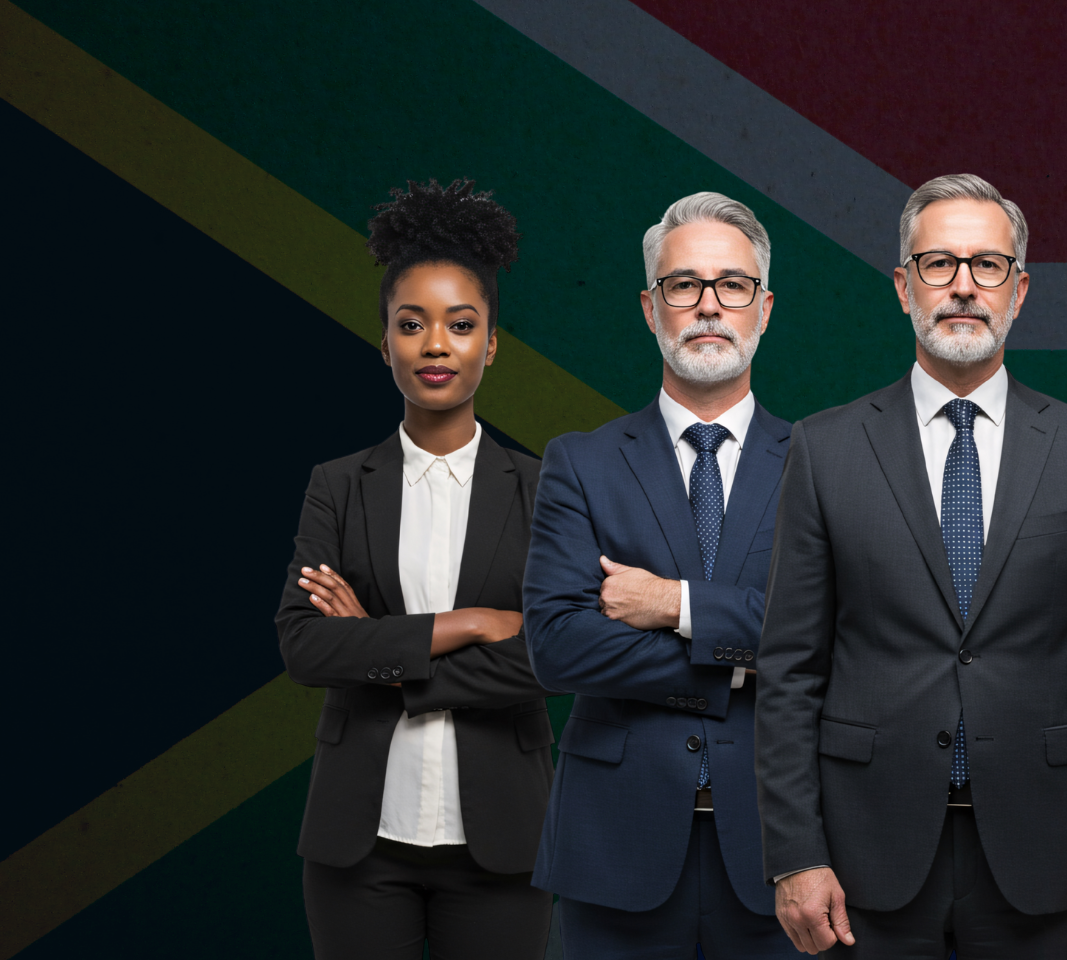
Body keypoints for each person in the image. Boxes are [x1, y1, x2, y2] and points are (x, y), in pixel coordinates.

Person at [755, 174, 1067, 958]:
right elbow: (791, 670)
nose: (964, 287)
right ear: (904, 286)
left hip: (1050, 852)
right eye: (939, 264)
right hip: (864, 853)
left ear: (1021, 290)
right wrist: (796, 854)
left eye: (989, 266)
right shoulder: (825, 448)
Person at [276, 178, 555, 960]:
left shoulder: (545, 489)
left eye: (461, 325)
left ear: (491, 343)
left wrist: (380, 648)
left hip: (504, 842)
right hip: (356, 847)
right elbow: (304, 646)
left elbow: (554, 653)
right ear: (386, 342)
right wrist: (465, 625)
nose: (437, 345)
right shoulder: (337, 485)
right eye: (412, 324)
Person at [521, 192, 793, 957]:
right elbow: (559, 646)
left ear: (763, 308)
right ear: (651, 307)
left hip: (781, 852)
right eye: (684, 285)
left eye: (732, 285)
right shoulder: (579, 462)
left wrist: (672, 604)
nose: (709, 306)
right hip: (612, 845)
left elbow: (833, 631)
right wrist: (733, 668)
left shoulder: (822, 464)